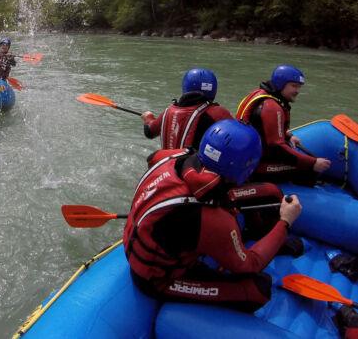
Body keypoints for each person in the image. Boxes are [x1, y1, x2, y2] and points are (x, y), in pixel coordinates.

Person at [123, 119, 302, 312]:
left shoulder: (174, 156)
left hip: (165, 228)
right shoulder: (213, 219)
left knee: (269, 191)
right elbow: (250, 264)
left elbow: (152, 157)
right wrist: (285, 222)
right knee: (258, 289)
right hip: (158, 279)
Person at [236, 65, 331, 184]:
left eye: (299, 87)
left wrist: (288, 136)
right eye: (294, 86)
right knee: (310, 170)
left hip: (247, 157)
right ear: (281, 84)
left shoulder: (260, 94)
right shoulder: (272, 107)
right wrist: (313, 163)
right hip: (256, 167)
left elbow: (259, 127)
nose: (297, 91)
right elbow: (278, 149)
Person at [141, 68, 233, 150]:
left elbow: (150, 132)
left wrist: (148, 117)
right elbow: (237, 137)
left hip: (166, 164)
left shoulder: (168, 111)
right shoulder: (219, 113)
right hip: (193, 167)